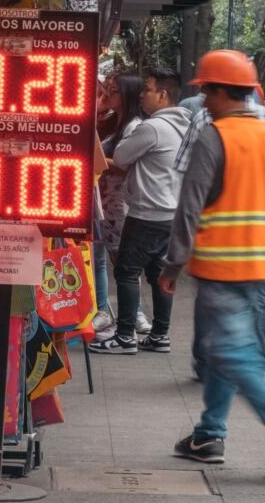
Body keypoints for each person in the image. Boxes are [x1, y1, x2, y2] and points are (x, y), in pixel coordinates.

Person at [160, 50, 265, 479]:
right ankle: (209, 433)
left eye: (207, 89)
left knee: (232, 353)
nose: (203, 98)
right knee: (222, 352)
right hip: (261, 269)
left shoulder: (215, 136)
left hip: (220, 269)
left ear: (223, 91)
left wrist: (172, 265)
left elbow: (189, 208)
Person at [89, 68, 190, 355]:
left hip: (147, 212)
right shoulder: (185, 125)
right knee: (159, 273)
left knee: (126, 271)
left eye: (147, 89)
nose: (143, 95)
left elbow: (120, 157)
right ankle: (159, 335)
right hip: (171, 212)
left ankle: (124, 336)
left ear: (163, 94)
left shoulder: (153, 127)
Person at [93, 73, 145, 337]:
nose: (107, 96)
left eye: (112, 92)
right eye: (105, 91)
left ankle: (133, 314)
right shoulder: (111, 121)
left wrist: (101, 159)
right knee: (100, 257)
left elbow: (126, 166)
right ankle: (107, 310)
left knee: (122, 261)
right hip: (102, 200)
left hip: (118, 202)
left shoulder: (135, 127)